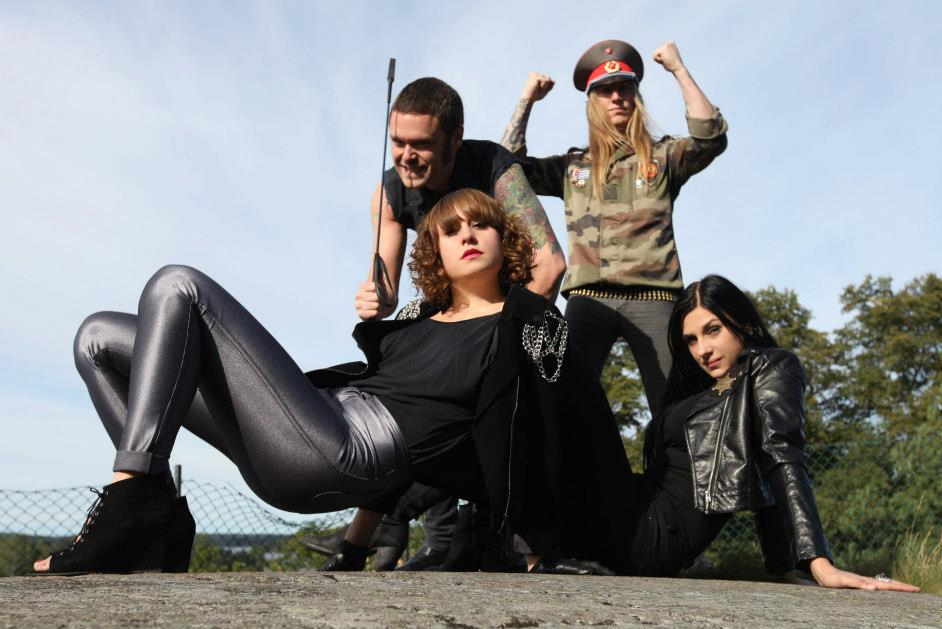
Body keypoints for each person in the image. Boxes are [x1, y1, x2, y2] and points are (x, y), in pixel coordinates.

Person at [33, 190, 587, 576]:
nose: (466, 235)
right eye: (450, 229)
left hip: (348, 450)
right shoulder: (416, 321)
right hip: (309, 427)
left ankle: (131, 499)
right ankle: (155, 521)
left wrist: (536, 548)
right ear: (435, 252)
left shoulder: (524, 323)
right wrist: (353, 549)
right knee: (97, 339)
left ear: (505, 240)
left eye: (480, 225)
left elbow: (538, 435)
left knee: (178, 285)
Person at [334, 76, 567, 571]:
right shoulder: (390, 192)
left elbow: (549, 267)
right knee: (393, 382)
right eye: (397, 141)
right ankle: (356, 545)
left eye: (420, 144)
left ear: (454, 139)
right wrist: (375, 298)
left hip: (509, 315)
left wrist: (504, 342)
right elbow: (387, 289)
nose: (406, 156)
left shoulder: (494, 167)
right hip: (450, 310)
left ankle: (531, 551)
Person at [572, 274, 919, 590]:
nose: (702, 350)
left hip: (652, 536)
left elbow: (780, 458)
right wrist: (782, 566)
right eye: (691, 340)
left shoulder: (768, 368)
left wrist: (817, 564)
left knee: (564, 369)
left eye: (713, 330)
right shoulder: (696, 388)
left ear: (744, 322)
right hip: (633, 506)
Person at [501, 40, 726, 420]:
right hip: (589, 299)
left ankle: (674, 462)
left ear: (636, 97)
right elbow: (508, 171)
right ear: (593, 102)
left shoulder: (663, 157)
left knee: (678, 410)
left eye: (624, 88)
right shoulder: (572, 167)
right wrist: (527, 100)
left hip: (656, 296)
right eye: (606, 91)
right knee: (562, 402)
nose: (617, 97)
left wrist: (678, 69)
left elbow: (710, 137)